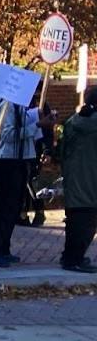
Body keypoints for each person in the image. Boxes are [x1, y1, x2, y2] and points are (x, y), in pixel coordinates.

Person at [0, 90, 39, 268]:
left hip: (20, 160)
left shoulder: (21, 107)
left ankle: (4, 248)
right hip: (6, 161)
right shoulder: (7, 106)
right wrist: (36, 126)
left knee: (13, 208)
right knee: (2, 208)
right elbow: (7, 135)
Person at [60, 86, 97, 273]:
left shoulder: (72, 121)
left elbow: (62, 149)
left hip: (73, 176)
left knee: (74, 219)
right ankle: (75, 259)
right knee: (88, 222)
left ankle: (69, 256)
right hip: (92, 177)